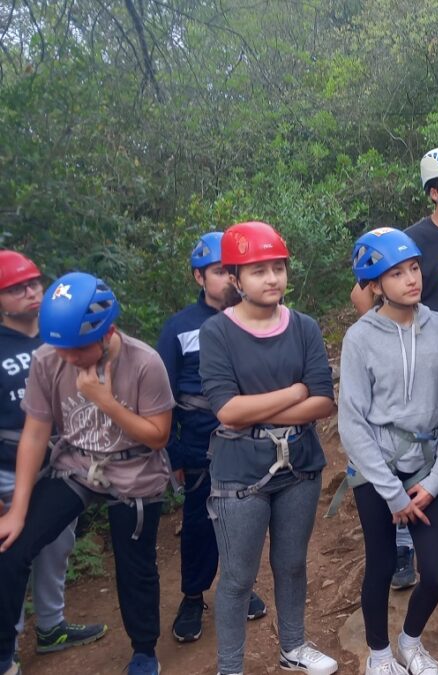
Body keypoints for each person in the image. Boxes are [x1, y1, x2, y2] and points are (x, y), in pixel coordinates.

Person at [0, 271, 175, 675]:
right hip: (77, 465)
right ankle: (3, 655)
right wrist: (18, 510)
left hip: (135, 468)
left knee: (136, 565)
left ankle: (144, 650)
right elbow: (36, 432)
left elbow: (158, 437)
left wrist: (104, 400)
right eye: (62, 349)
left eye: (78, 350)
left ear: (107, 331)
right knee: (12, 548)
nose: (69, 358)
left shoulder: (144, 361)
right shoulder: (49, 358)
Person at [199, 221, 338, 675]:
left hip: (299, 464)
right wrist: (294, 392)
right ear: (236, 279)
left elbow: (322, 401)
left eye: (277, 267)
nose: (272, 278)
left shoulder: (303, 327)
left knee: (292, 563)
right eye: (258, 270)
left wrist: (264, 406)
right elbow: (227, 411)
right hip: (240, 471)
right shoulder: (218, 333)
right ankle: (230, 667)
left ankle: (293, 646)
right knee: (238, 577)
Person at [352, 146, 438, 588]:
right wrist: (386, 349)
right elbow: (364, 296)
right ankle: (404, 549)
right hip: (417, 358)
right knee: (412, 452)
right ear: (434, 192)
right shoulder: (410, 241)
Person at [339, 227, 438, 675]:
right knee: (379, 564)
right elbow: (352, 420)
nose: (412, 279)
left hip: (425, 468)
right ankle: (378, 653)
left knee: (435, 573)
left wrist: (436, 480)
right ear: (374, 285)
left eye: (414, 268)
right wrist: (391, 491)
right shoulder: (360, 338)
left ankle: (410, 641)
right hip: (378, 469)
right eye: (397, 273)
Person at [155, 233, 267, 644]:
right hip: (201, 443)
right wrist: (173, 453)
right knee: (201, 524)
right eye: (219, 271)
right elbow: (161, 395)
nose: (228, 279)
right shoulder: (179, 328)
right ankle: (192, 595)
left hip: (250, 439)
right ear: (198, 277)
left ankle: (238, 585)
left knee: (246, 521)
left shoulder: (254, 316)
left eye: (232, 271)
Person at [0, 253, 107, 667]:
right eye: (16, 288)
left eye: (34, 284)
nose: (30, 292)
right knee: (11, 557)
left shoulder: (61, 336)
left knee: (57, 547)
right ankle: (6, 649)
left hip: (61, 464)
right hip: (8, 472)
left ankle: (51, 625)